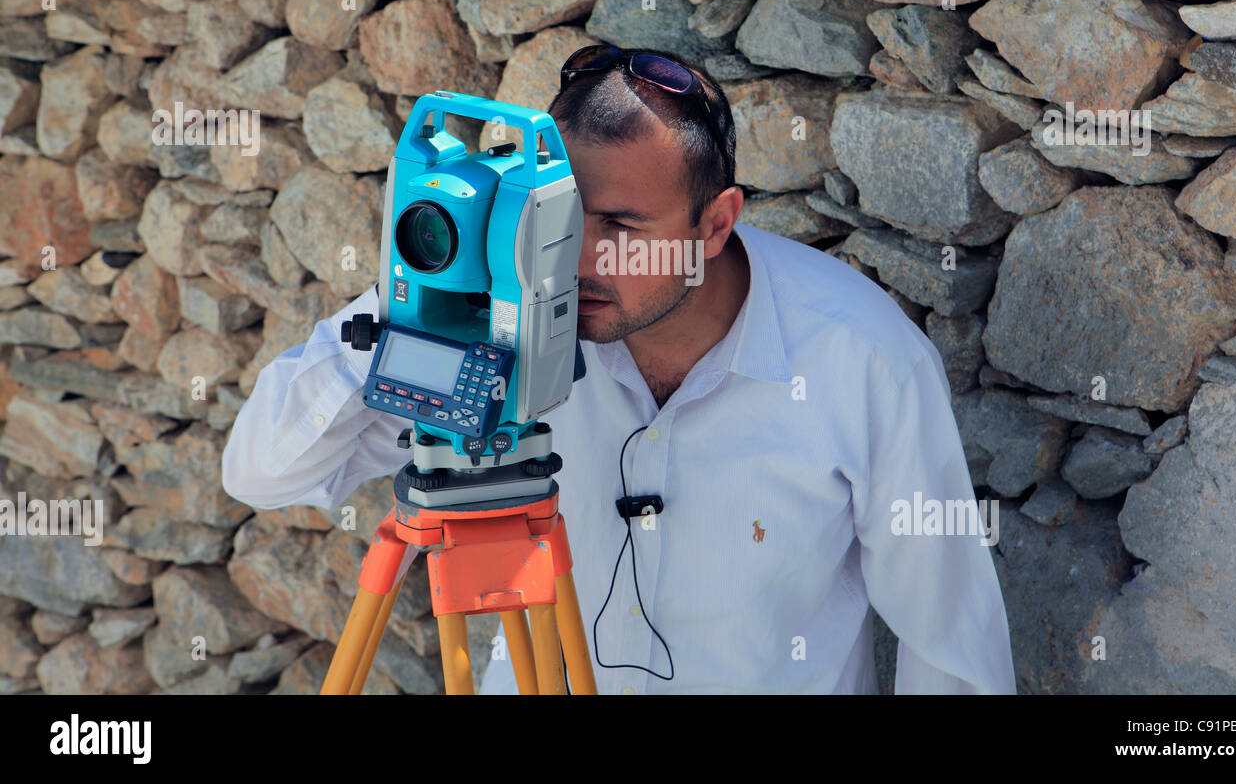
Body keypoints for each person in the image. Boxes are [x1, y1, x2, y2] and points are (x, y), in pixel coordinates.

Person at [222, 44, 1016, 695]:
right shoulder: (504, 308)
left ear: (715, 223)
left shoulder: (863, 360)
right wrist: (411, 309)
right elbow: (262, 473)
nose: (578, 257)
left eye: (621, 226)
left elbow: (951, 649)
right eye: (561, 215)